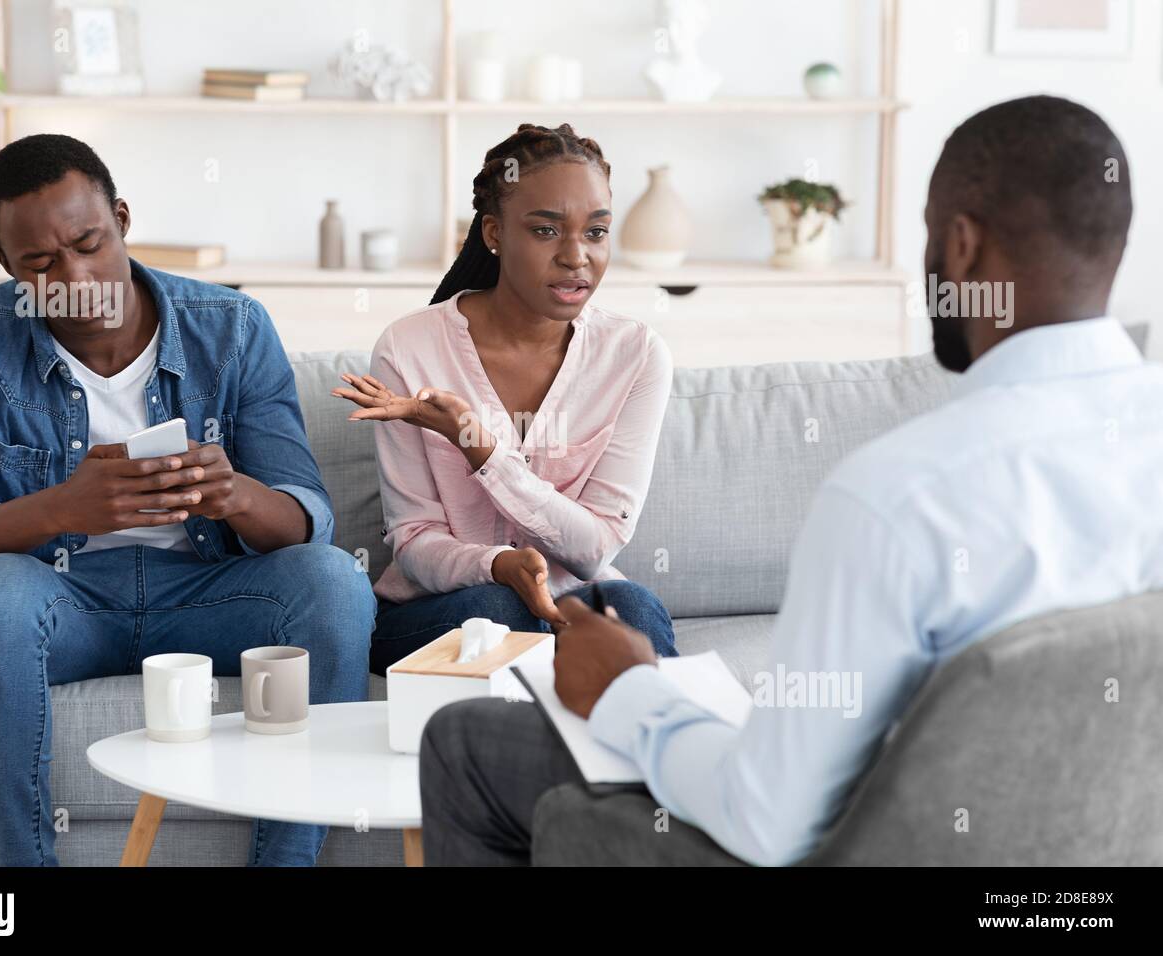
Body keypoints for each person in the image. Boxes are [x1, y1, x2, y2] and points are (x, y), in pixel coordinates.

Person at [418, 95, 1163, 865]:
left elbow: (767, 823)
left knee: (468, 742)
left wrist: (629, 691)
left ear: (962, 247)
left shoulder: (899, 498)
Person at [0, 133, 375, 866]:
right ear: (7, 267)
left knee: (334, 581)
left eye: (89, 242)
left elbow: (305, 518)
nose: (76, 278)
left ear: (121, 218)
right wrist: (63, 508)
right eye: (41, 265)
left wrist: (233, 495)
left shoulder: (233, 327)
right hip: (60, 600)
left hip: (212, 596)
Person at [333, 123, 677, 674]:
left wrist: (482, 449)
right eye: (545, 231)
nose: (576, 257)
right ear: (494, 233)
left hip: (569, 599)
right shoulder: (409, 348)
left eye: (596, 232)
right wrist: (497, 565)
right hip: (440, 609)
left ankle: (653, 755)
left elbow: (594, 550)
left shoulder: (635, 355)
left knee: (631, 605)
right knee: (502, 607)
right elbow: (414, 543)